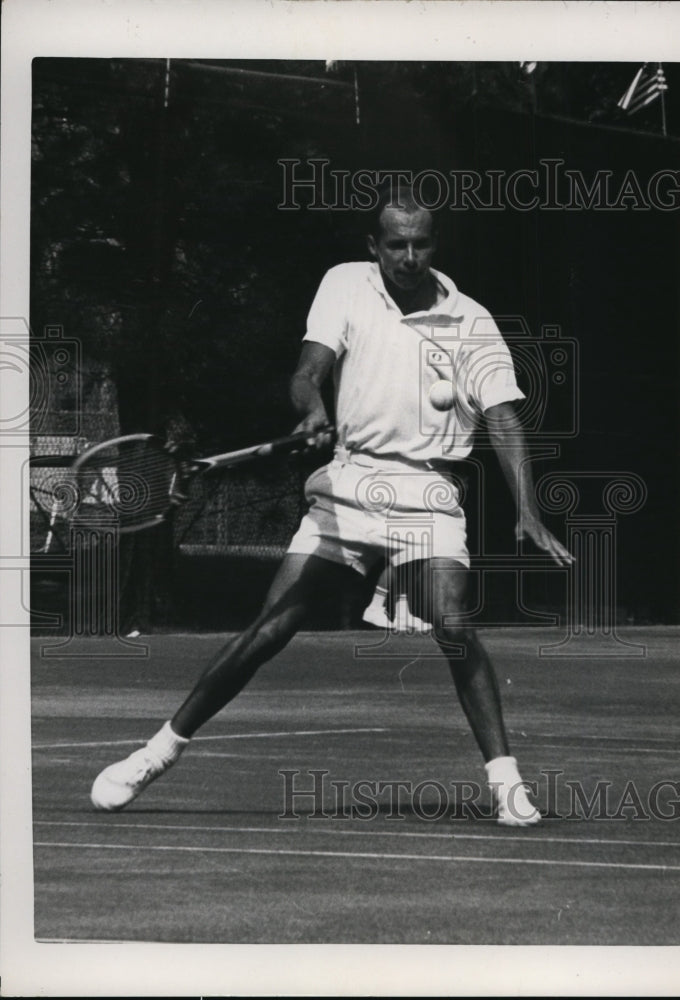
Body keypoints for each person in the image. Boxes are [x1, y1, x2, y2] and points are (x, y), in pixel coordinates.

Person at [90, 184, 573, 826]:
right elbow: (307, 372)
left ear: (435, 244)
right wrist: (313, 408)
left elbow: (505, 418)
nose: (407, 255)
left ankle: (507, 783)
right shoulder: (345, 284)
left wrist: (529, 510)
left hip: (427, 494)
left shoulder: (472, 321)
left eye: (419, 242)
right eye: (394, 244)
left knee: (453, 624)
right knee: (271, 629)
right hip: (347, 485)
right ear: (374, 246)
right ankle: (155, 755)